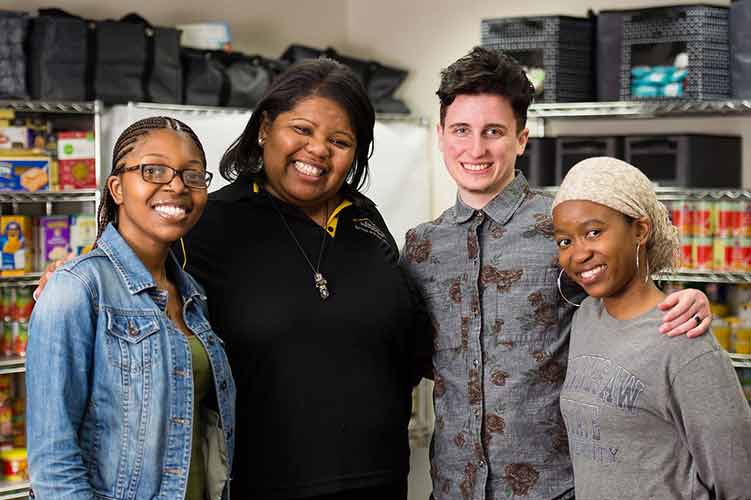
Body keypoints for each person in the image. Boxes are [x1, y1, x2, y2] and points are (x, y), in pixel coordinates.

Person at [34, 59, 430, 499]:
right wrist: (70, 277)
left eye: (339, 140)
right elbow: (128, 277)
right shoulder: (206, 224)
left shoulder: (366, 221)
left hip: (383, 479)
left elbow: (407, 342)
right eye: (301, 130)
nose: (317, 149)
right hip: (261, 483)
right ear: (265, 128)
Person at [400, 46, 711, 500]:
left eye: (494, 132)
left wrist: (687, 300)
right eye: (461, 130)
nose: (476, 148)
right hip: (452, 488)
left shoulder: (564, 228)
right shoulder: (422, 245)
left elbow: (634, 309)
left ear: (521, 139)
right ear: (441, 135)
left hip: (557, 488)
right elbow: (419, 355)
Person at [27, 117, 236, 500]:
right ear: (118, 187)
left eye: (192, 175)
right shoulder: (76, 289)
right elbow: (53, 464)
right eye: (153, 170)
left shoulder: (194, 296)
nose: (176, 185)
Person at [552, 157, 751, 499]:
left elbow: (740, 479)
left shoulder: (683, 340)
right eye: (565, 241)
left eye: (593, 232)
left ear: (640, 230)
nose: (578, 253)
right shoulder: (585, 318)